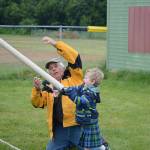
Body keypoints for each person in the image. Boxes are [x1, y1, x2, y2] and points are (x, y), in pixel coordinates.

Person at [31, 36, 84, 150]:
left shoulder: (74, 77)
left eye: (56, 66)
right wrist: (37, 89)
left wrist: (55, 44)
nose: (53, 69)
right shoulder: (47, 86)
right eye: (50, 68)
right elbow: (38, 103)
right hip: (60, 128)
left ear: (63, 68)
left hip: (77, 125)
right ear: (48, 73)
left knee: (93, 147)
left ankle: (100, 143)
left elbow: (75, 57)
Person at [62, 68, 106, 150]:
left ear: (92, 82)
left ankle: (102, 148)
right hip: (85, 120)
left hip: (90, 121)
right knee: (88, 143)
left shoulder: (91, 93)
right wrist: (64, 91)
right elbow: (75, 89)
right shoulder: (84, 87)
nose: (83, 79)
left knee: (88, 145)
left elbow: (80, 101)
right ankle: (103, 148)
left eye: (86, 78)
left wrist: (71, 94)